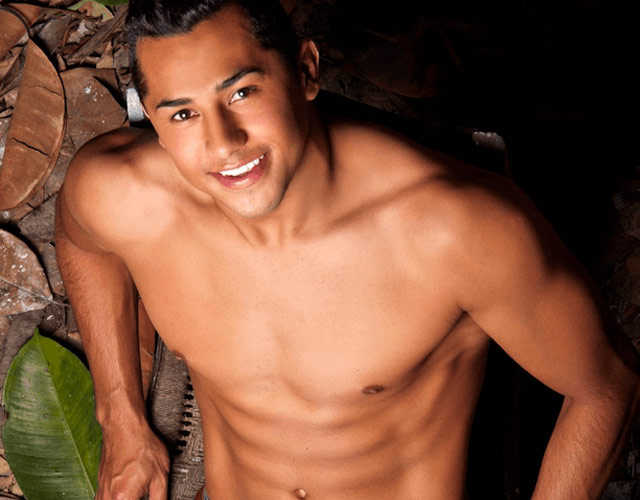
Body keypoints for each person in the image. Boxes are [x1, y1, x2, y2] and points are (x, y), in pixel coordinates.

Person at [54, 0, 640, 499]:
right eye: (183, 113)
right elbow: (83, 241)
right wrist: (120, 417)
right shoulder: (125, 194)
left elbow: (605, 386)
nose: (223, 144)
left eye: (241, 92)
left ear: (306, 71)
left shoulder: (452, 230)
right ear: (155, 124)